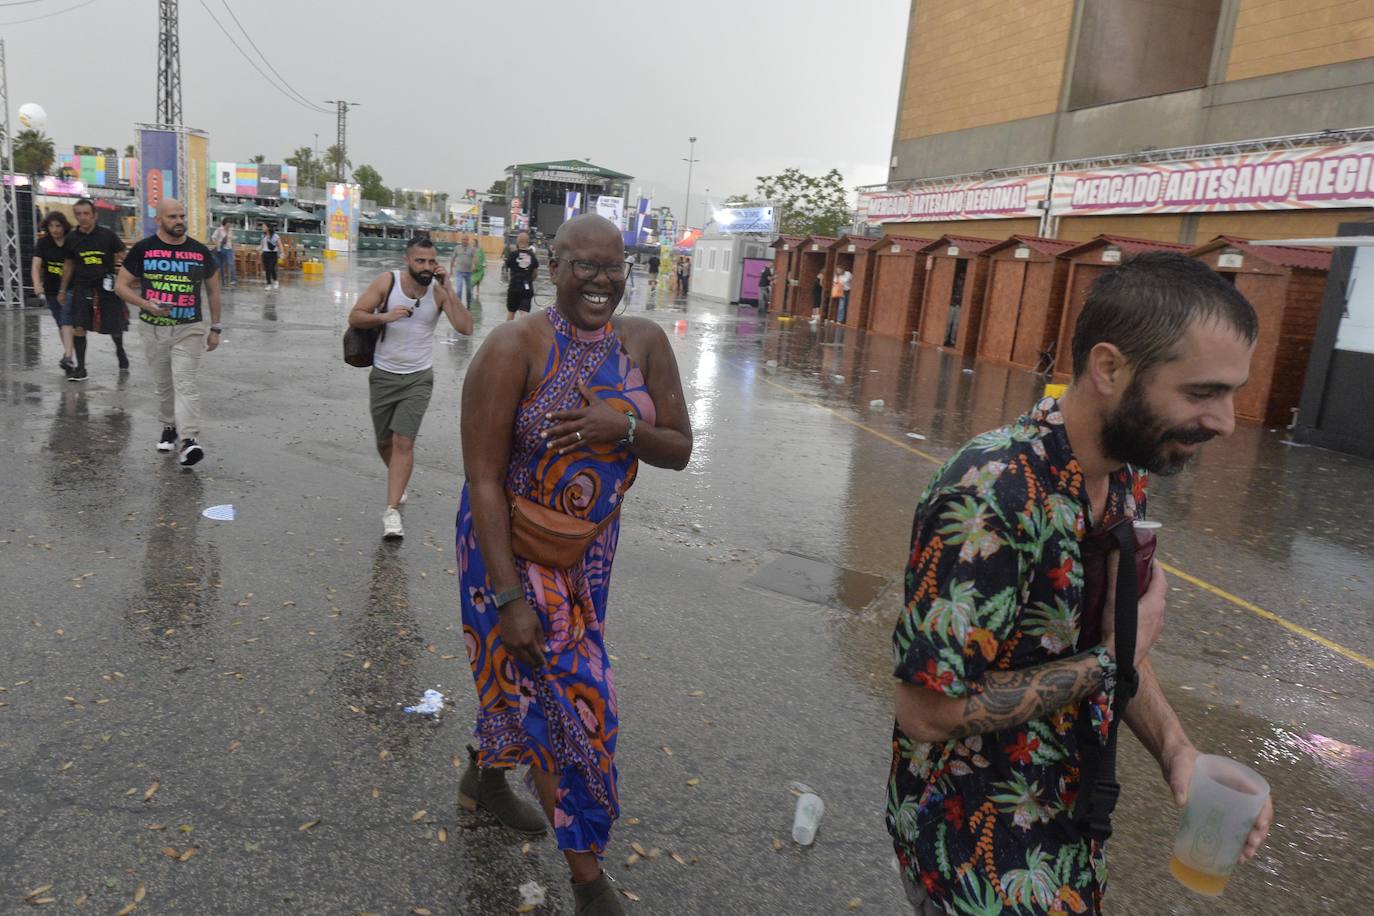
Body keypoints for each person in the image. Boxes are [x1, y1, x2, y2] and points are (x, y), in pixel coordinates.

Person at [886, 253, 1273, 915]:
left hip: (1068, 835)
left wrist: (1177, 750)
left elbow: (1119, 645)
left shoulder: (1123, 474)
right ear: (1109, 367)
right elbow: (923, 712)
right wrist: (1107, 662)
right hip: (977, 858)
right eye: (1202, 392)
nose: (1226, 422)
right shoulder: (990, 496)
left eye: (1231, 392)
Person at [456, 215, 693, 915]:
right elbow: (484, 480)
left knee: (525, 686)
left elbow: (678, 448)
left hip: (587, 553)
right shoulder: (512, 347)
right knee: (572, 706)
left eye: (612, 266)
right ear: (552, 264)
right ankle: (588, 882)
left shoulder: (644, 344)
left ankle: (483, 781)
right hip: (508, 549)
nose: (600, 280)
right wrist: (507, 598)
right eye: (583, 265)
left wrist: (621, 427)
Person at [348, 236, 474, 539]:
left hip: (418, 378)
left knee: (404, 442)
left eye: (431, 261)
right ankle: (398, 482)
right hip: (383, 375)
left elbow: (466, 327)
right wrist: (385, 316)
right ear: (408, 260)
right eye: (420, 261)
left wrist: (450, 290)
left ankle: (391, 512)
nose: (427, 267)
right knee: (384, 443)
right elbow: (355, 316)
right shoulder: (387, 282)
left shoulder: (439, 292)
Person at [114, 198, 223, 467]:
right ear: (159, 220)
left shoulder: (199, 251)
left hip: (189, 327)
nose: (179, 221)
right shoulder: (144, 249)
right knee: (164, 385)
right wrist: (145, 304)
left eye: (182, 216)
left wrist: (216, 328)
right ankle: (169, 427)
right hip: (153, 329)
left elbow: (213, 290)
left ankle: (188, 441)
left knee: (185, 382)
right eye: (172, 217)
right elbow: (121, 285)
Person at [65, 198, 128, 380]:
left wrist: (124, 279)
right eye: (78, 214)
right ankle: (82, 369)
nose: (82, 218)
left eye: (86, 214)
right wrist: (63, 290)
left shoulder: (107, 235)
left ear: (94, 216)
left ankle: (120, 350)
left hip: (106, 286)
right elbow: (68, 265)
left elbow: (123, 256)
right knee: (79, 325)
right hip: (81, 287)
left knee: (114, 325)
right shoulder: (72, 238)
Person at [32, 211, 76, 373]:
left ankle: (68, 355)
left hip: (71, 287)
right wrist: (37, 284)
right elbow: (36, 265)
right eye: (51, 226)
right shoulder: (43, 243)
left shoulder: (71, 241)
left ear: (64, 226)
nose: (55, 229)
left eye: (58, 226)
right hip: (51, 289)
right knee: (61, 322)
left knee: (67, 321)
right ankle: (68, 355)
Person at [504, 231, 538, 320]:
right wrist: (529, 280)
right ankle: (525, 331)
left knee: (511, 312)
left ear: (517, 241)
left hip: (514, 288)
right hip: (527, 289)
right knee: (524, 313)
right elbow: (535, 273)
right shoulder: (532, 256)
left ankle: (508, 332)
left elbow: (506, 268)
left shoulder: (513, 255)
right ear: (528, 242)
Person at [449, 234, 478, 305]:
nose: (464, 241)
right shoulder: (457, 248)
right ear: (461, 240)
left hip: (468, 272)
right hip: (459, 271)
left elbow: (474, 257)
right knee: (459, 289)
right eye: (463, 239)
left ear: (468, 240)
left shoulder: (471, 248)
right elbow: (453, 258)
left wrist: (474, 265)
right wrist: (451, 270)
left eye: (466, 239)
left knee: (468, 290)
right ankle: (458, 304)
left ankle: (468, 303)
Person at [210, 217, 236, 287]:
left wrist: (233, 249)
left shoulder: (231, 230)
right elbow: (213, 237)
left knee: (231, 263)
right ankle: (223, 280)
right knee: (222, 265)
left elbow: (232, 240)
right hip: (222, 249)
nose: (229, 225)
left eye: (230, 224)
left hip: (229, 249)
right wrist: (217, 244)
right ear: (225, 223)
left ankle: (233, 280)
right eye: (228, 224)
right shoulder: (219, 230)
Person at [259, 223, 281, 289]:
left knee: (271, 268)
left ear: (268, 228)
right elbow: (262, 245)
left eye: (264, 227)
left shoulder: (275, 236)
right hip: (265, 254)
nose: (262, 228)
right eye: (262, 227)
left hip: (273, 254)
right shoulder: (263, 236)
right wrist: (260, 249)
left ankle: (276, 281)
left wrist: (282, 253)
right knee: (267, 269)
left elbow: (280, 245)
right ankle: (268, 284)